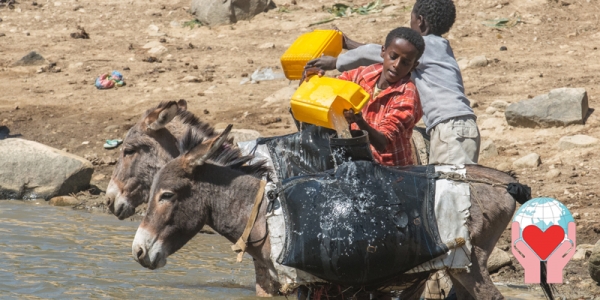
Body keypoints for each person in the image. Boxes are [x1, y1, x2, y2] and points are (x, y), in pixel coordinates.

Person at [306, 0, 480, 165]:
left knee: (451, 188)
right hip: (455, 127)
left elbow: (375, 51)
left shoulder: (426, 49)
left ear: (420, 21)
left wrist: (335, 62)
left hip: (450, 128)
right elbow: (388, 50)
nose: (397, 64)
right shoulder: (439, 47)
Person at [303, 27, 425, 167]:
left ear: (413, 65)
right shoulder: (363, 74)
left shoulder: (407, 96)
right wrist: (312, 80)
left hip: (392, 171)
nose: (396, 65)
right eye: (393, 56)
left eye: (405, 62)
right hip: (359, 162)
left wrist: (359, 121)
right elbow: (330, 91)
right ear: (383, 51)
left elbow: (383, 143)